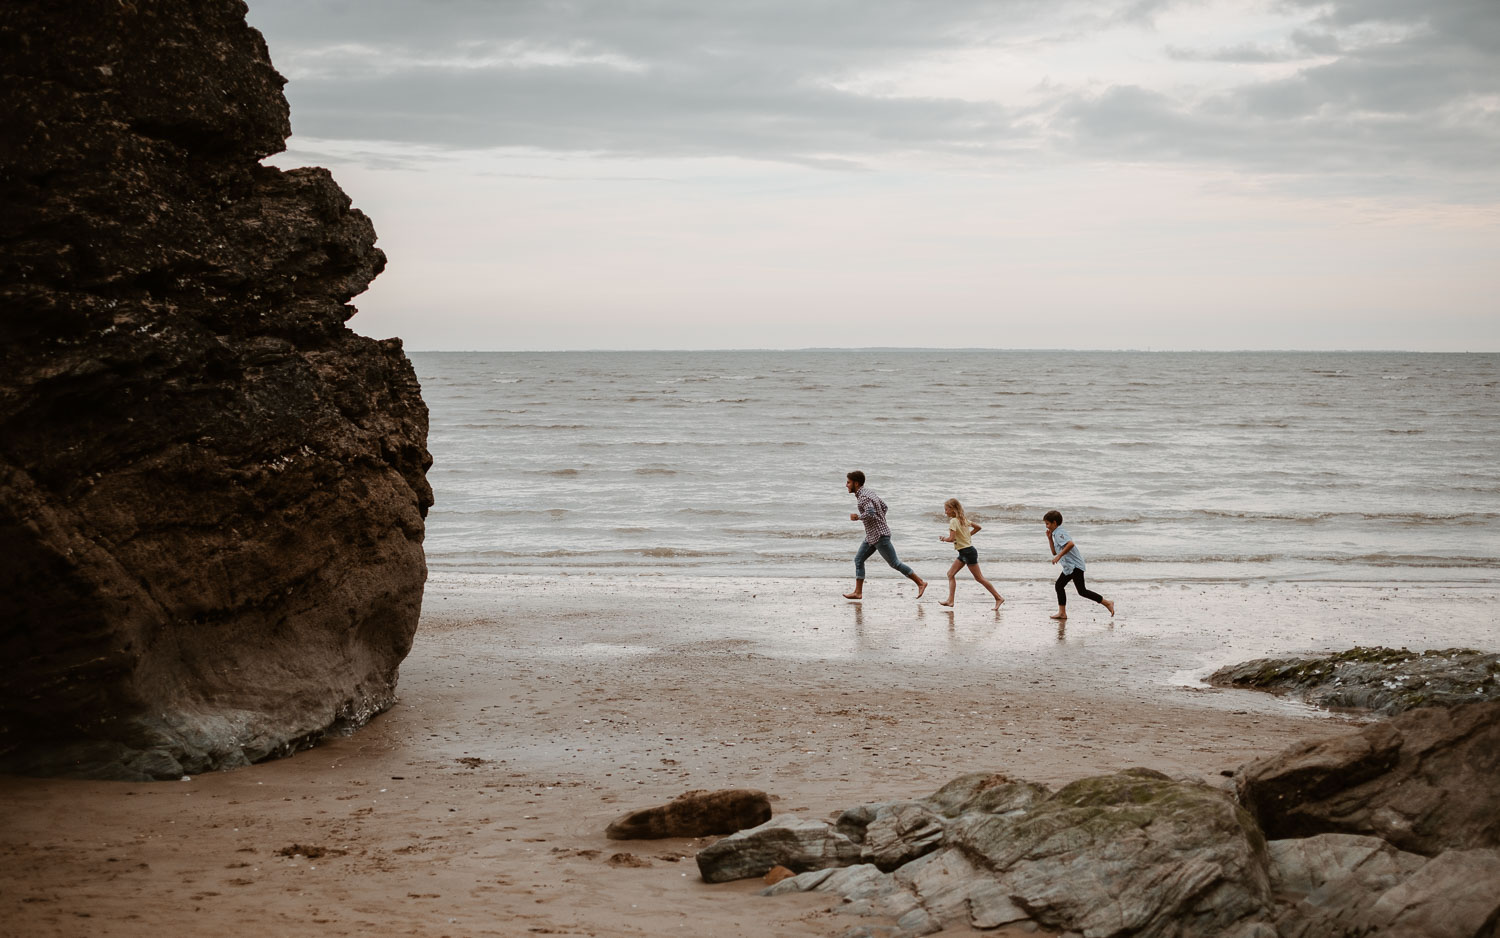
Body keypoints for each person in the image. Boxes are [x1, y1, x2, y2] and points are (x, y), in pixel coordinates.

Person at [843, 471, 927, 600]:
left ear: (856, 483)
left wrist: (858, 517)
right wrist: (879, 521)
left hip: (880, 536)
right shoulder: (869, 492)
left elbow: (871, 513)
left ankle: (920, 582)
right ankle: (858, 592)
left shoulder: (863, 497)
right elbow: (884, 507)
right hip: (872, 535)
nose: (846, 485)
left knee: (895, 563)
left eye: (848, 482)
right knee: (858, 560)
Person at [1044, 509, 1114, 619]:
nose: (1046, 526)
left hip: (1075, 566)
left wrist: (1059, 556)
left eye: (1047, 523)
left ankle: (1107, 603)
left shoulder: (1059, 533)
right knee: (1059, 585)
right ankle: (1062, 613)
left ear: (1054, 523)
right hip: (1069, 567)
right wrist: (1049, 539)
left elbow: (1070, 544)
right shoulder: (1055, 534)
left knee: (1082, 591)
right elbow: (1054, 552)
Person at [938, 498, 1004, 610]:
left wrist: (944, 539)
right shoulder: (963, 519)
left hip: (967, 552)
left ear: (952, 509)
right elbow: (978, 527)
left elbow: (951, 538)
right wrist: (967, 536)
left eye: (946, 509)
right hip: (965, 552)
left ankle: (998, 598)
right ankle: (950, 600)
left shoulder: (953, 521)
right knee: (950, 574)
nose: (945, 512)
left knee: (979, 578)